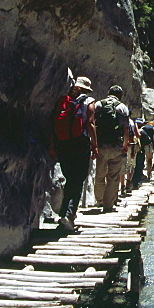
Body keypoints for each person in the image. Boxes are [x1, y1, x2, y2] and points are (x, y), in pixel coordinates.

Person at [51, 75, 97, 231]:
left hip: (63, 143)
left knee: (70, 179)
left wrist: (53, 144)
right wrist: (95, 145)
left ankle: (63, 214)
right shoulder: (88, 101)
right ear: (86, 89)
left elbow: (53, 122)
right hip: (80, 144)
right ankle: (69, 217)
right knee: (77, 181)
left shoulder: (63, 101)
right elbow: (90, 124)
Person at [93, 85, 129, 212]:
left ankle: (99, 200)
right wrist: (125, 145)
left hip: (101, 145)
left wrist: (94, 144)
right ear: (120, 95)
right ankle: (108, 205)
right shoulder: (122, 107)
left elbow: (92, 124)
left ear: (108, 92)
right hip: (116, 146)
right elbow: (126, 129)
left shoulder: (98, 104)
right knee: (113, 176)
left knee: (100, 174)